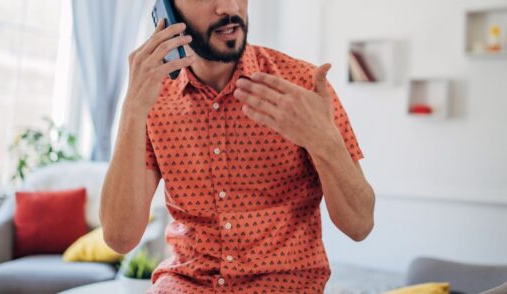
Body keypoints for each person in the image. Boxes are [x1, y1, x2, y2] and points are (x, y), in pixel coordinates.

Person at [100, 0, 376, 293]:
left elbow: (359, 225)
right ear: (167, 9)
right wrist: (132, 108)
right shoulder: (152, 97)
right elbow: (120, 237)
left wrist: (324, 142)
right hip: (185, 285)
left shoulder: (303, 86)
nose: (229, 7)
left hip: (283, 285)